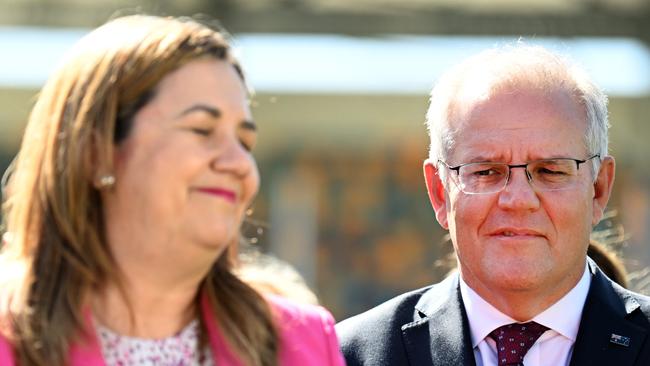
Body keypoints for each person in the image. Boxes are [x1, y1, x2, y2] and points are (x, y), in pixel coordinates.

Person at [0, 15, 345, 366]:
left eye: (245, 142)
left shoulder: (303, 342)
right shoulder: (8, 338)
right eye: (201, 130)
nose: (238, 164)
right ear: (96, 153)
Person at [336, 44, 650, 365]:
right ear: (439, 193)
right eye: (486, 171)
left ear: (598, 188)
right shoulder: (349, 355)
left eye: (549, 171)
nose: (518, 200)